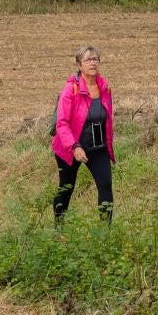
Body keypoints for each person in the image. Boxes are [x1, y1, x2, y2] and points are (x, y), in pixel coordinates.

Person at [52, 46, 114, 225]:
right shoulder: (71, 89)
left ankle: (105, 234)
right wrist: (74, 146)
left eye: (95, 59)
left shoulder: (105, 87)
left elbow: (106, 119)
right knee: (66, 188)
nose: (93, 63)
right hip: (71, 147)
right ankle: (59, 227)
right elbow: (62, 123)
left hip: (97, 147)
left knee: (105, 186)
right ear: (80, 65)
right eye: (88, 60)